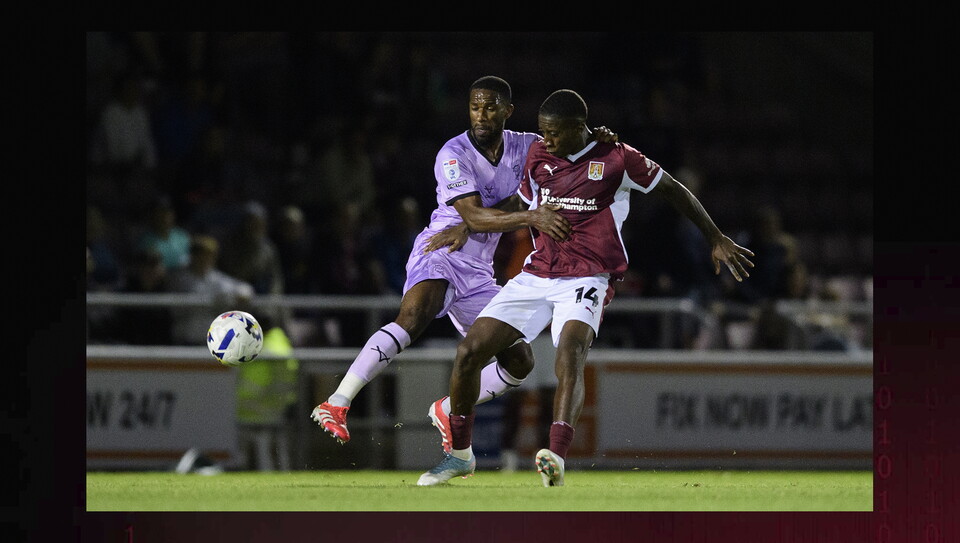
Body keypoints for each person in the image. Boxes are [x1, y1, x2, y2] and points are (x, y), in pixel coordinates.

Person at [417, 89, 754, 487]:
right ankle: (458, 455)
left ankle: (556, 454)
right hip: (537, 273)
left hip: (588, 275)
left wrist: (714, 236)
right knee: (470, 351)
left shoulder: (618, 158)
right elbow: (516, 201)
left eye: (555, 133)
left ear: (579, 129)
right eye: (543, 132)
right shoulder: (539, 155)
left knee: (570, 353)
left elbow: (673, 189)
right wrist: (467, 223)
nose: (547, 140)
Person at [310, 76, 617, 447]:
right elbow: (474, 216)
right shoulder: (452, 153)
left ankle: (448, 408)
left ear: (507, 111)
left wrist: (596, 139)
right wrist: (525, 218)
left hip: (479, 270)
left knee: (520, 362)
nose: (481, 115)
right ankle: (337, 403)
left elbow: (549, 167)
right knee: (414, 316)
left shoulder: (528, 146)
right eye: (475, 106)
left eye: (489, 107)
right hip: (442, 251)